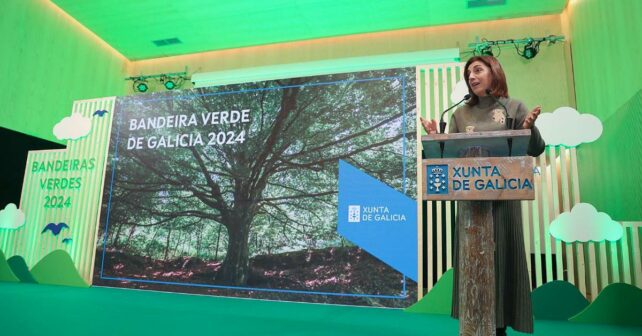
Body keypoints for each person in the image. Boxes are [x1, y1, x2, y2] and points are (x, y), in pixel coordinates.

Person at [420, 55, 545, 335]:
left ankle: (498, 328)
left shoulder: (512, 106)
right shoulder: (459, 114)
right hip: (470, 205)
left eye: (478, 70)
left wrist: (529, 128)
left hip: (503, 202)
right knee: (473, 267)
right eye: (468, 73)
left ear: (494, 72)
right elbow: (444, 160)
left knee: (501, 261)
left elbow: (535, 149)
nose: (472, 76)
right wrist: (435, 138)